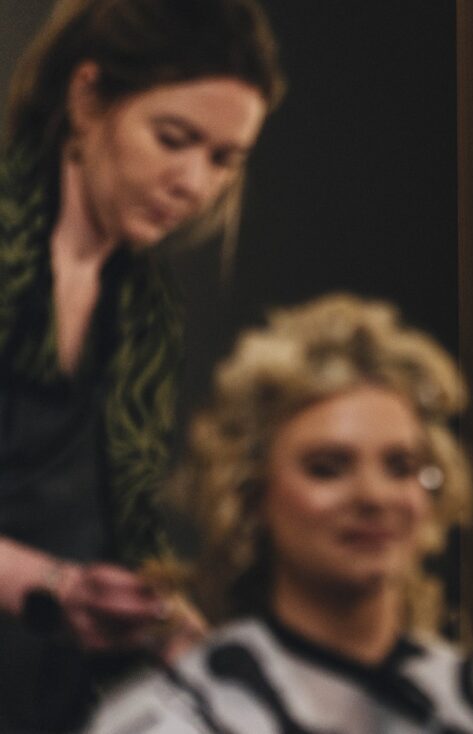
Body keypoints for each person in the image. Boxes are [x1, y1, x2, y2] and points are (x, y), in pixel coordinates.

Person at [87, 295, 473, 733]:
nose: (373, 495)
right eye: (328, 468)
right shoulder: (170, 720)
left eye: (401, 466)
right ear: (250, 493)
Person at [0, 0, 284, 729]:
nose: (195, 184)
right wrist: (51, 585)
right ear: (89, 98)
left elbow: (121, 527)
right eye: (174, 138)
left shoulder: (148, 309)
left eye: (224, 160)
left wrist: (174, 627)